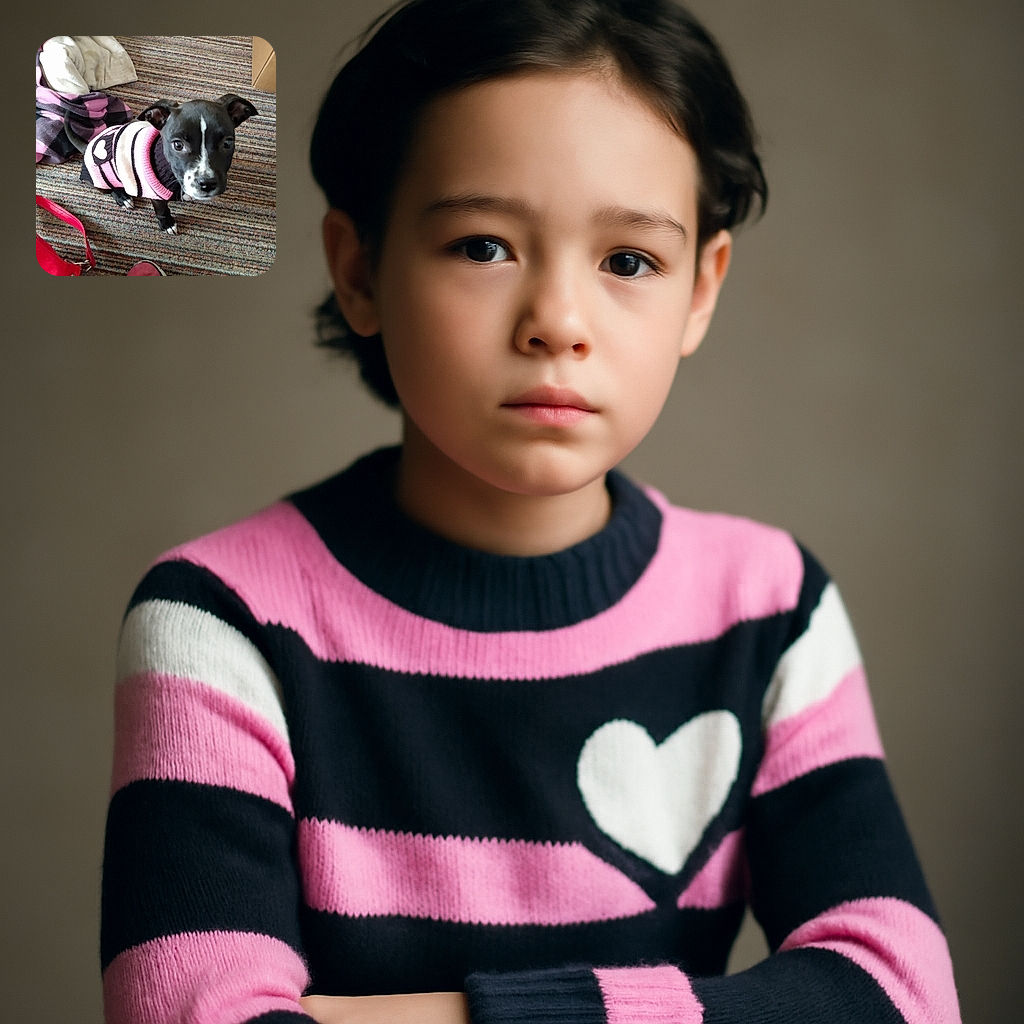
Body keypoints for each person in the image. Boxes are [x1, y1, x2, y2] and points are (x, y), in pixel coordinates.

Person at [100, 1, 961, 1022]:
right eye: (481, 246)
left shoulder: (770, 609)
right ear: (359, 267)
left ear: (700, 288)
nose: (557, 320)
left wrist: (463, 1013)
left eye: (628, 262)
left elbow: (901, 994)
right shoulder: (222, 618)